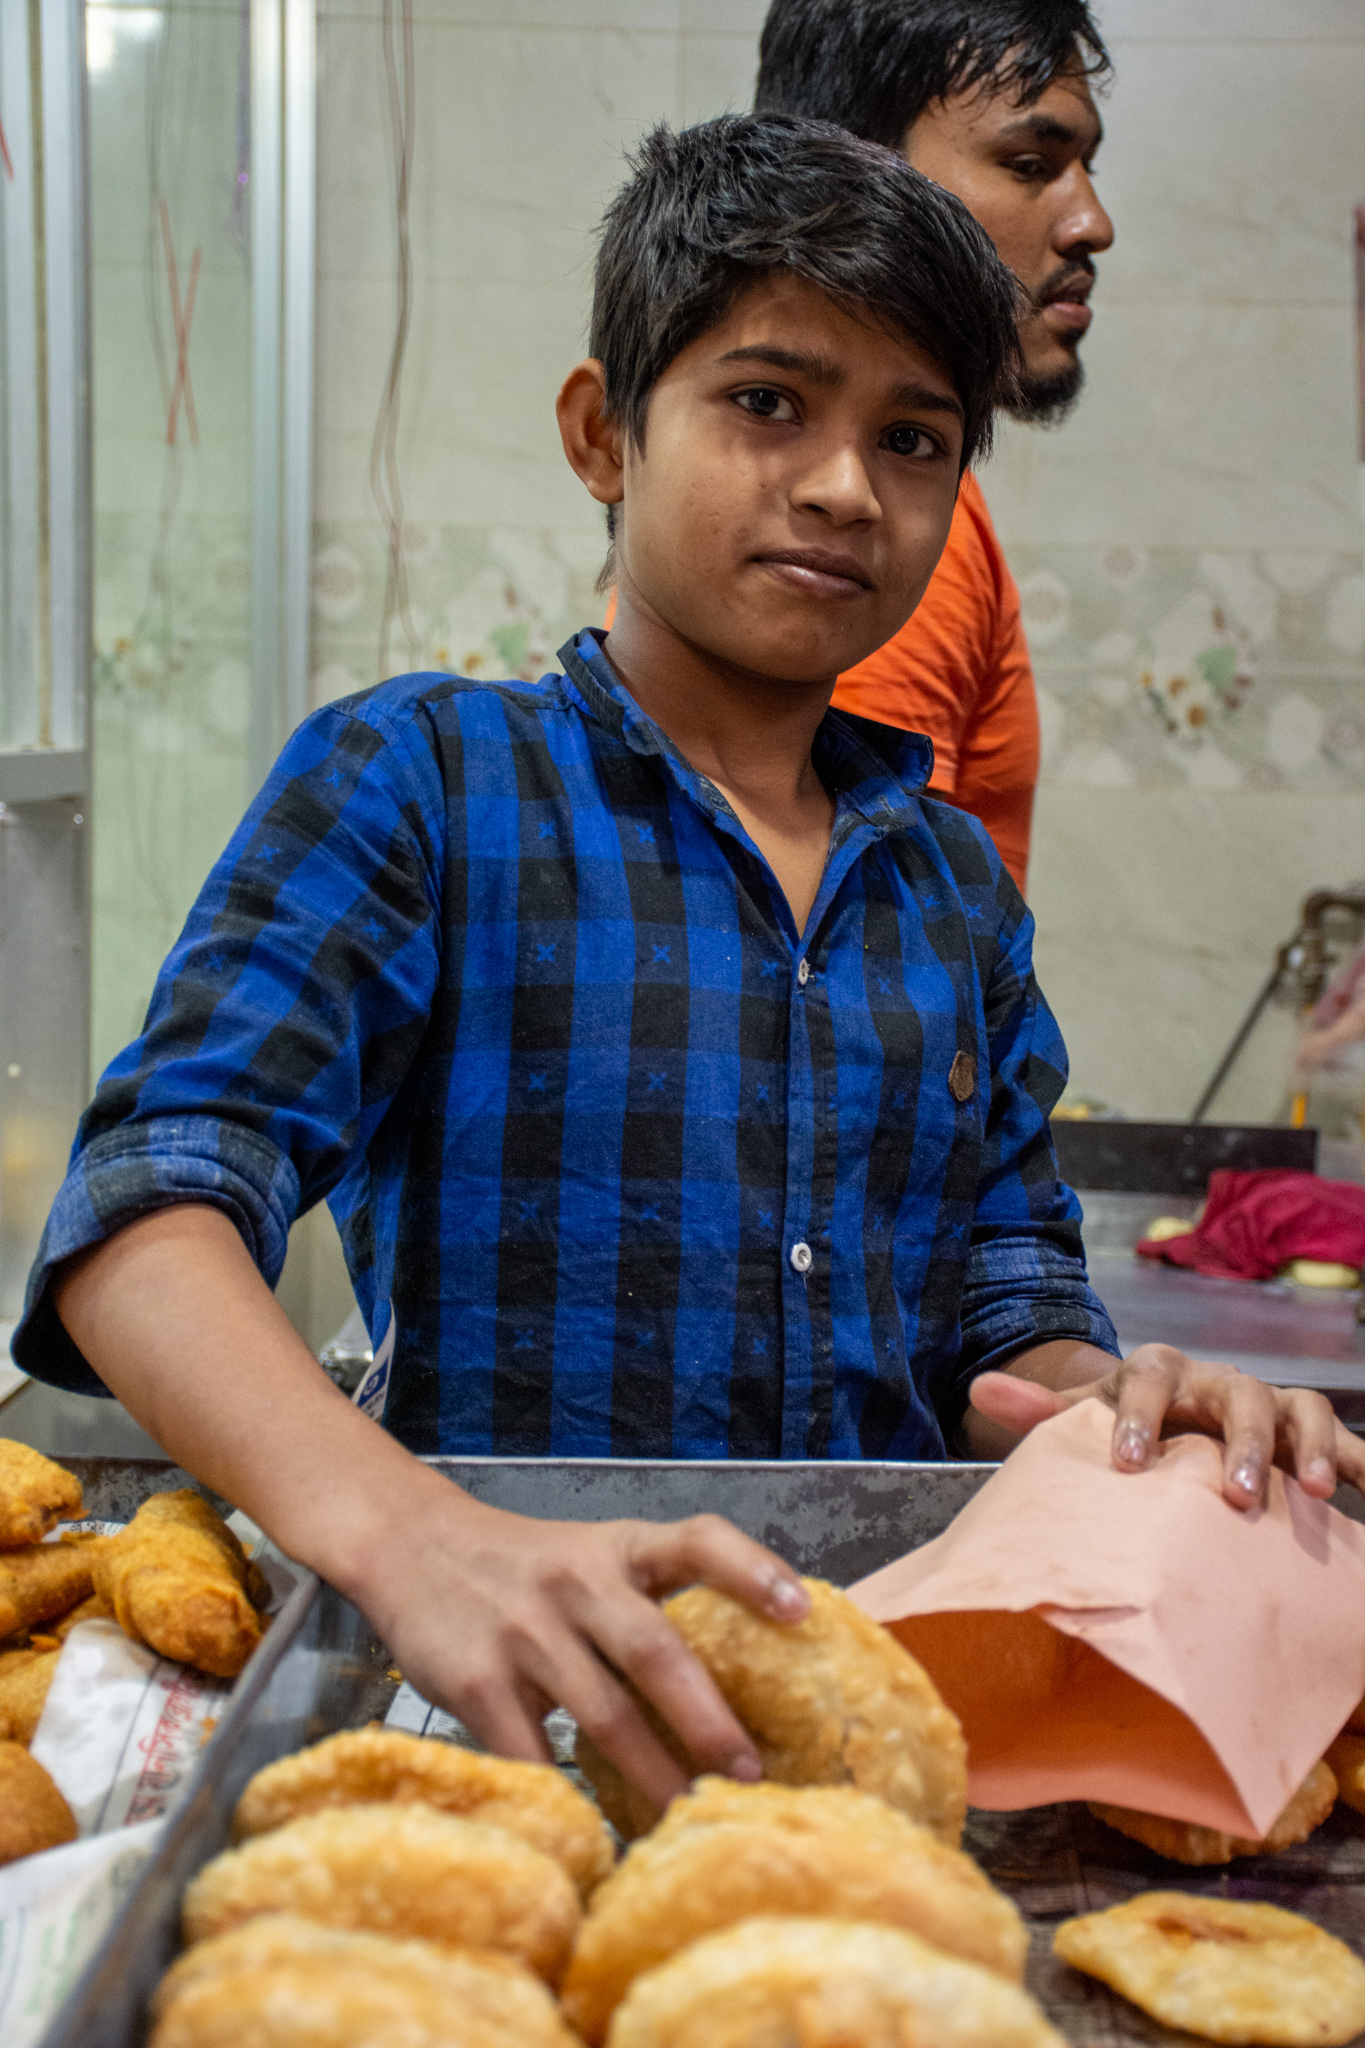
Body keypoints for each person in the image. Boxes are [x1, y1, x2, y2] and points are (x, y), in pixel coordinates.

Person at [14, 118, 1359, 1814]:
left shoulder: (948, 883)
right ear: (604, 432)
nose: (844, 484)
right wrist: (408, 1530)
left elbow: (1007, 1313)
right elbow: (145, 1211)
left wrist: (1128, 1396)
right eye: (768, 401)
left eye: (916, 437)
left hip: (874, 1710)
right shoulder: (424, 779)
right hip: (504, 1696)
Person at [755, 0, 1116, 892]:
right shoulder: (874, 521)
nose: (1091, 223)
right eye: (1030, 164)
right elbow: (839, 933)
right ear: (861, 184)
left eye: (1086, 168)